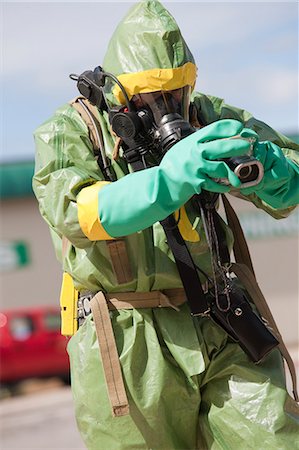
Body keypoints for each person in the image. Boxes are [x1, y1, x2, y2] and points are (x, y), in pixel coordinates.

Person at [33, 1, 299, 449]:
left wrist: (271, 167)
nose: (167, 108)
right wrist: (168, 179)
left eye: (177, 92)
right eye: (149, 97)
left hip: (221, 318)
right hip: (126, 338)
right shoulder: (70, 130)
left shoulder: (206, 115)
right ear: (116, 90)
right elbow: (76, 213)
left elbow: (292, 180)